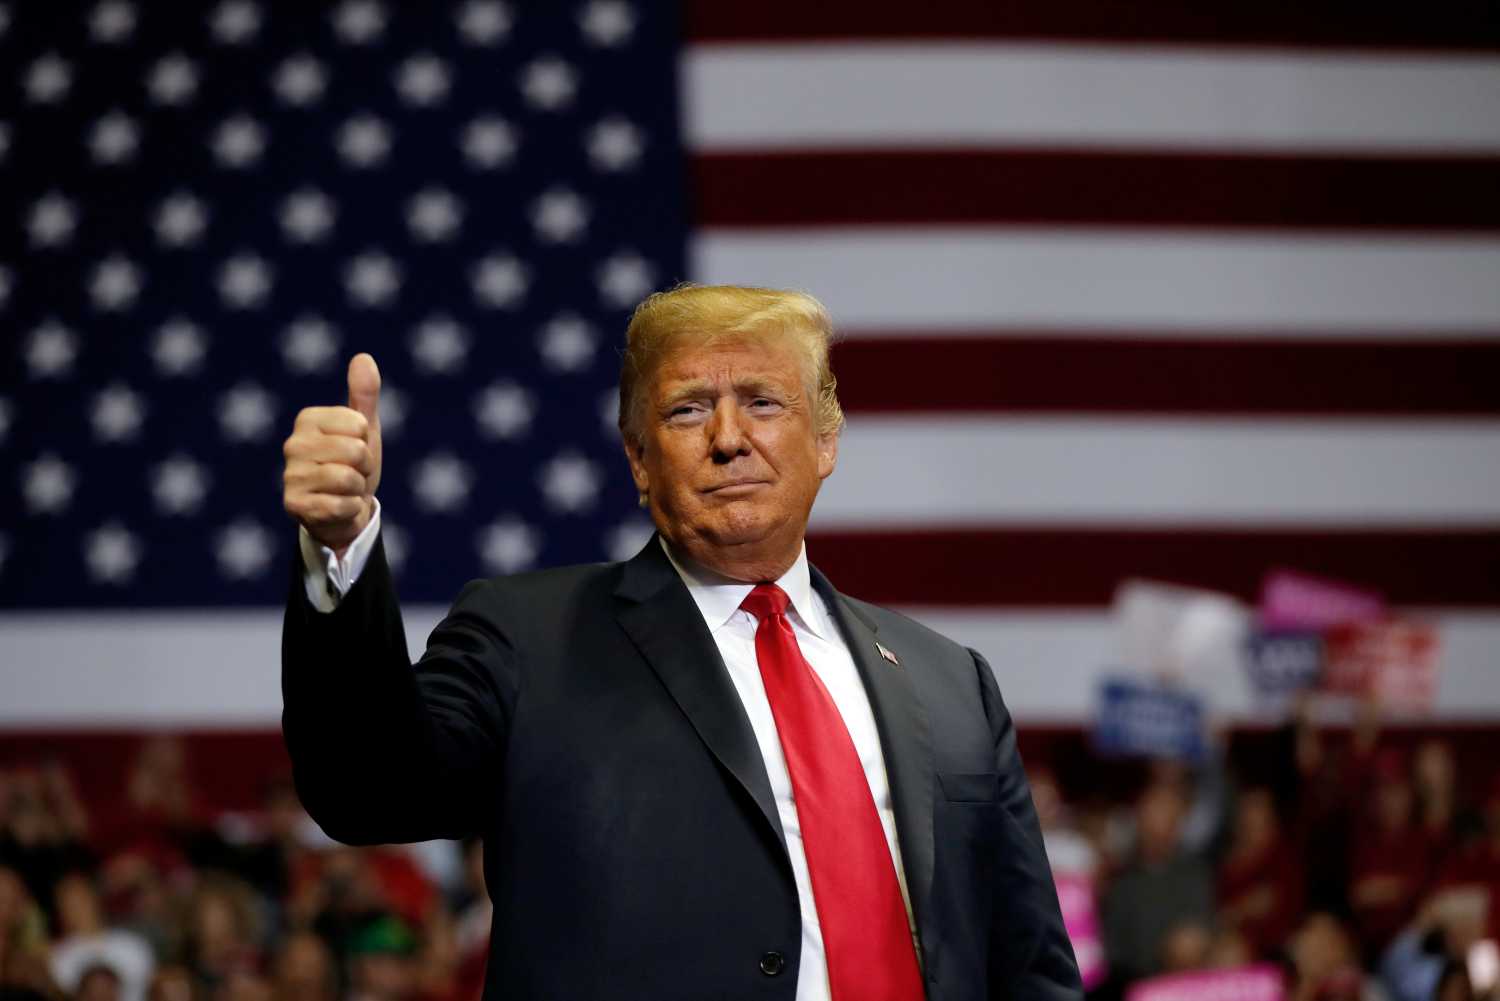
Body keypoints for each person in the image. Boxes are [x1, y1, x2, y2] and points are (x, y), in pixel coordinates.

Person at [280, 284, 1082, 1001]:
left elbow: (1030, 966)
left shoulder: (952, 682)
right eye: (687, 409)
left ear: (827, 441)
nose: (729, 437)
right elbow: (366, 786)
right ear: (638, 458)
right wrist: (339, 546)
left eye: (764, 402)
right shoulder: (529, 637)